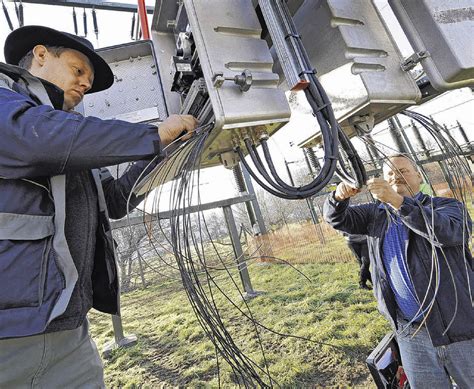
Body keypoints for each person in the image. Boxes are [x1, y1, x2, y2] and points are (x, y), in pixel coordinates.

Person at [0, 25, 198, 387]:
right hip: (8, 335)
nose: (86, 84)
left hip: (69, 329)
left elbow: (115, 199)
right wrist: (150, 134)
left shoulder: (73, 138)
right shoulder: (8, 105)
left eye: (88, 80)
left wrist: (163, 155)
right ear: (41, 55)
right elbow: (33, 139)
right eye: (78, 71)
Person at [323, 154, 474, 388]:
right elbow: (336, 218)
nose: (396, 176)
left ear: (419, 176)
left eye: (403, 171)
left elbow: (448, 232)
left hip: (459, 327)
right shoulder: (375, 216)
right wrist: (338, 197)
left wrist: (398, 202)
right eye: (390, 173)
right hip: (411, 333)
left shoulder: (447, 207)